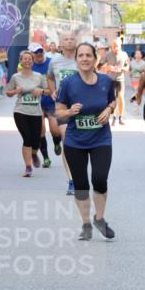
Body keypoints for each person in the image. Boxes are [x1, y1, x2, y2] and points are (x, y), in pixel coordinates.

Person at [55, 42, 117, 241]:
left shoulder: (106, 81)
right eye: (80, 55)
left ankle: (99, 218)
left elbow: (112, 101)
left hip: (101, 139)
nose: (84, 59)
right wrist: (69, 111)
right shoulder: (69, 83)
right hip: (75, 141)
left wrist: (109, 110)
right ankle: (86, 224)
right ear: (76, 60)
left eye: (88, 55)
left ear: (94, 59)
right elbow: (58, 111)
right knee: (81, 184)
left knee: (99, 179)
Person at [5, 50, 49, 177]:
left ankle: (34, 153)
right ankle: (28, 167)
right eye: (25, 58)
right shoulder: (15, 77)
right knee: (27, 138)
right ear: (21, 61)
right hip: (20, 111)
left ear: (33, 61)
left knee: (36, 142)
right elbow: (8, 93)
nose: (28, 60)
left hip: (36, 113)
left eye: (30, 59)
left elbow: (49, 90)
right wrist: (15, 91)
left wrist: (41, 90)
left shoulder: (39, 76)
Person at [46, 31, 80, 194]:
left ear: (76, 41)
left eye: (72, 39)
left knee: (81, 143)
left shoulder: (83, 59)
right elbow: (50, 78)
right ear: (61, 43)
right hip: (63, 106)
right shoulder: (55, 61)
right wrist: (53, 91)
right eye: (66, 39)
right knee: (68, 140)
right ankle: (72, 180)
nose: (69, 41)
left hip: (82, 106)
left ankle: (80, 174)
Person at [104, 38, 129, 124]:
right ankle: (114, 117)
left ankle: (121, 117)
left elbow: (127, 68)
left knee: (121, 98)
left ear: (120, 46)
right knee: (113, 99)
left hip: (120, 79)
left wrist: (121, 69)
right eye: (114, 46)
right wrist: (108, 68)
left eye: (117, 46)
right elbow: (99, 66)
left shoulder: (125, 54)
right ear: (112, 46)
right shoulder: (107, 55)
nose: (115, 48)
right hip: (110, 80)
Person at [128, 49, 145, 114]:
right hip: (134, 79)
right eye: (137, 54)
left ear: (141, 55)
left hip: (142, 80)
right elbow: (129, 70)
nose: (138, 55)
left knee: (139, 94)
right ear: (135, 55)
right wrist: (130, 73)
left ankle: (133, 99)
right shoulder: (132, 62)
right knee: (137, 92)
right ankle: (135, 109)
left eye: (139, 54)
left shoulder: (144, 63)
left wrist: (142, 71)